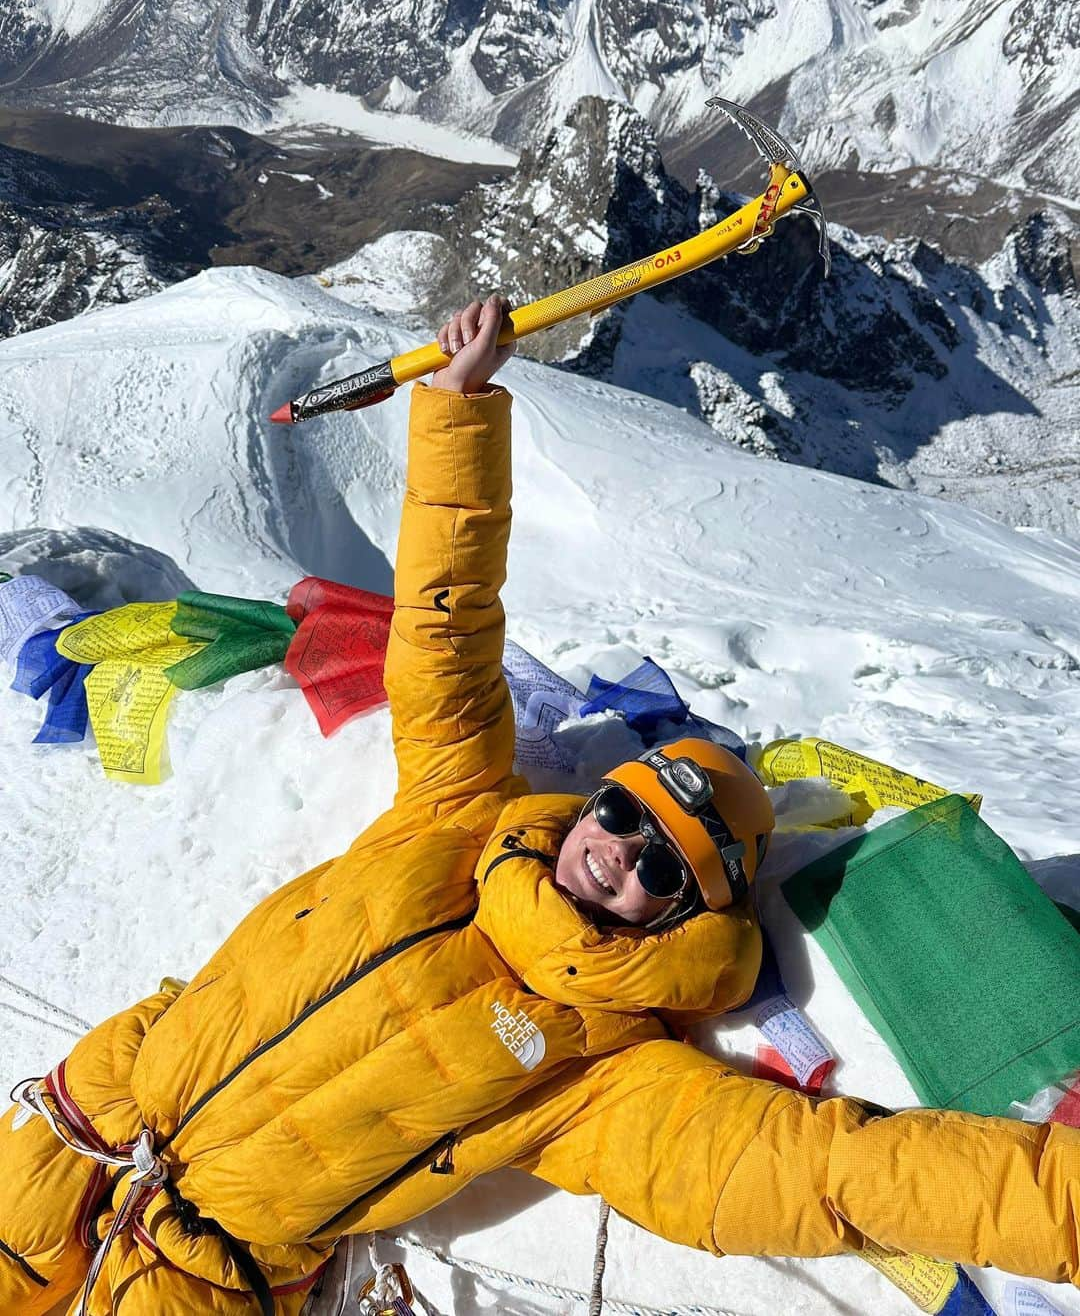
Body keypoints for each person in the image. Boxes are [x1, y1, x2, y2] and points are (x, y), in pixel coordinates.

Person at [2, 295, 1079, 1316]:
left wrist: (1064, 1204)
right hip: (89, 1111)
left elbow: (829, 1171)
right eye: (624, 815)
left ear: (686, 915)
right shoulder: (460, 815)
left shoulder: (598, 1064)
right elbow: (444, 639)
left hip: (199, 1272)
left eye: (668, 868)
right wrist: (461, 408)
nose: (623, 857)